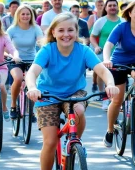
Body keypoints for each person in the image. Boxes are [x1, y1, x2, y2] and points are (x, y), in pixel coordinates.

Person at [25, 12, 119, 170]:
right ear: (53, 32)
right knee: (50, 142)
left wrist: (110, 83)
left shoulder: (83, 50)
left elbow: (102, 71)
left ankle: (75, 142)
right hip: (47, 95)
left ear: (76, 32)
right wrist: (33, 88)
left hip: (74, 93)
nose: (66, 34)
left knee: (79, 109)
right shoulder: (47, 50)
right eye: (61, 30)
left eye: (70, 30)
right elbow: (32, 72)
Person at [102, 1, 135, 148]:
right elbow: (108, 45)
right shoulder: (122, 27)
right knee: (117, 99)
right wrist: (106, 60)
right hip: (119, 63)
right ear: (129, 13)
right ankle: (110, 130)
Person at [7, 4, 43, 119]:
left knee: (31, 82)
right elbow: (5, 45)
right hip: (15, 60)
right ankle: (13, 105)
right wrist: (10, 55)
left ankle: (31, 110)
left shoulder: (35, 28)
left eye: (28, 14)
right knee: (18, 79)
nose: (25, 16)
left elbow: (41, 42)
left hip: (31, 59)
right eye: (23, 14)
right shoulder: (12, 29)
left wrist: (43, 49)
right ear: (18, 15)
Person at [90, 0, 123, 110]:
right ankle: (102, 94)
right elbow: (93, 37)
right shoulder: (101, 21)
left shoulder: (123, 21)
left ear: (117, 7)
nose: (112, 7)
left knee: (117, 77)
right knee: (101, 74)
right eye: (110, 5)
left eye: (114, 5)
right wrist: (96, 46)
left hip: (119, 55)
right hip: (104, 54)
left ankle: (118, 98)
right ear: (106, 8)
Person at [87, 0, 104, 92]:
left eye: (102, 5)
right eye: (98, 5)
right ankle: (94, 82)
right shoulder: (93, 17)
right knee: (97, 66)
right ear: (96, 6)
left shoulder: (107, 16)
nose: (100, 7)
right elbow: (87, 30)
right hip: (95, 44)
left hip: (104, 43)